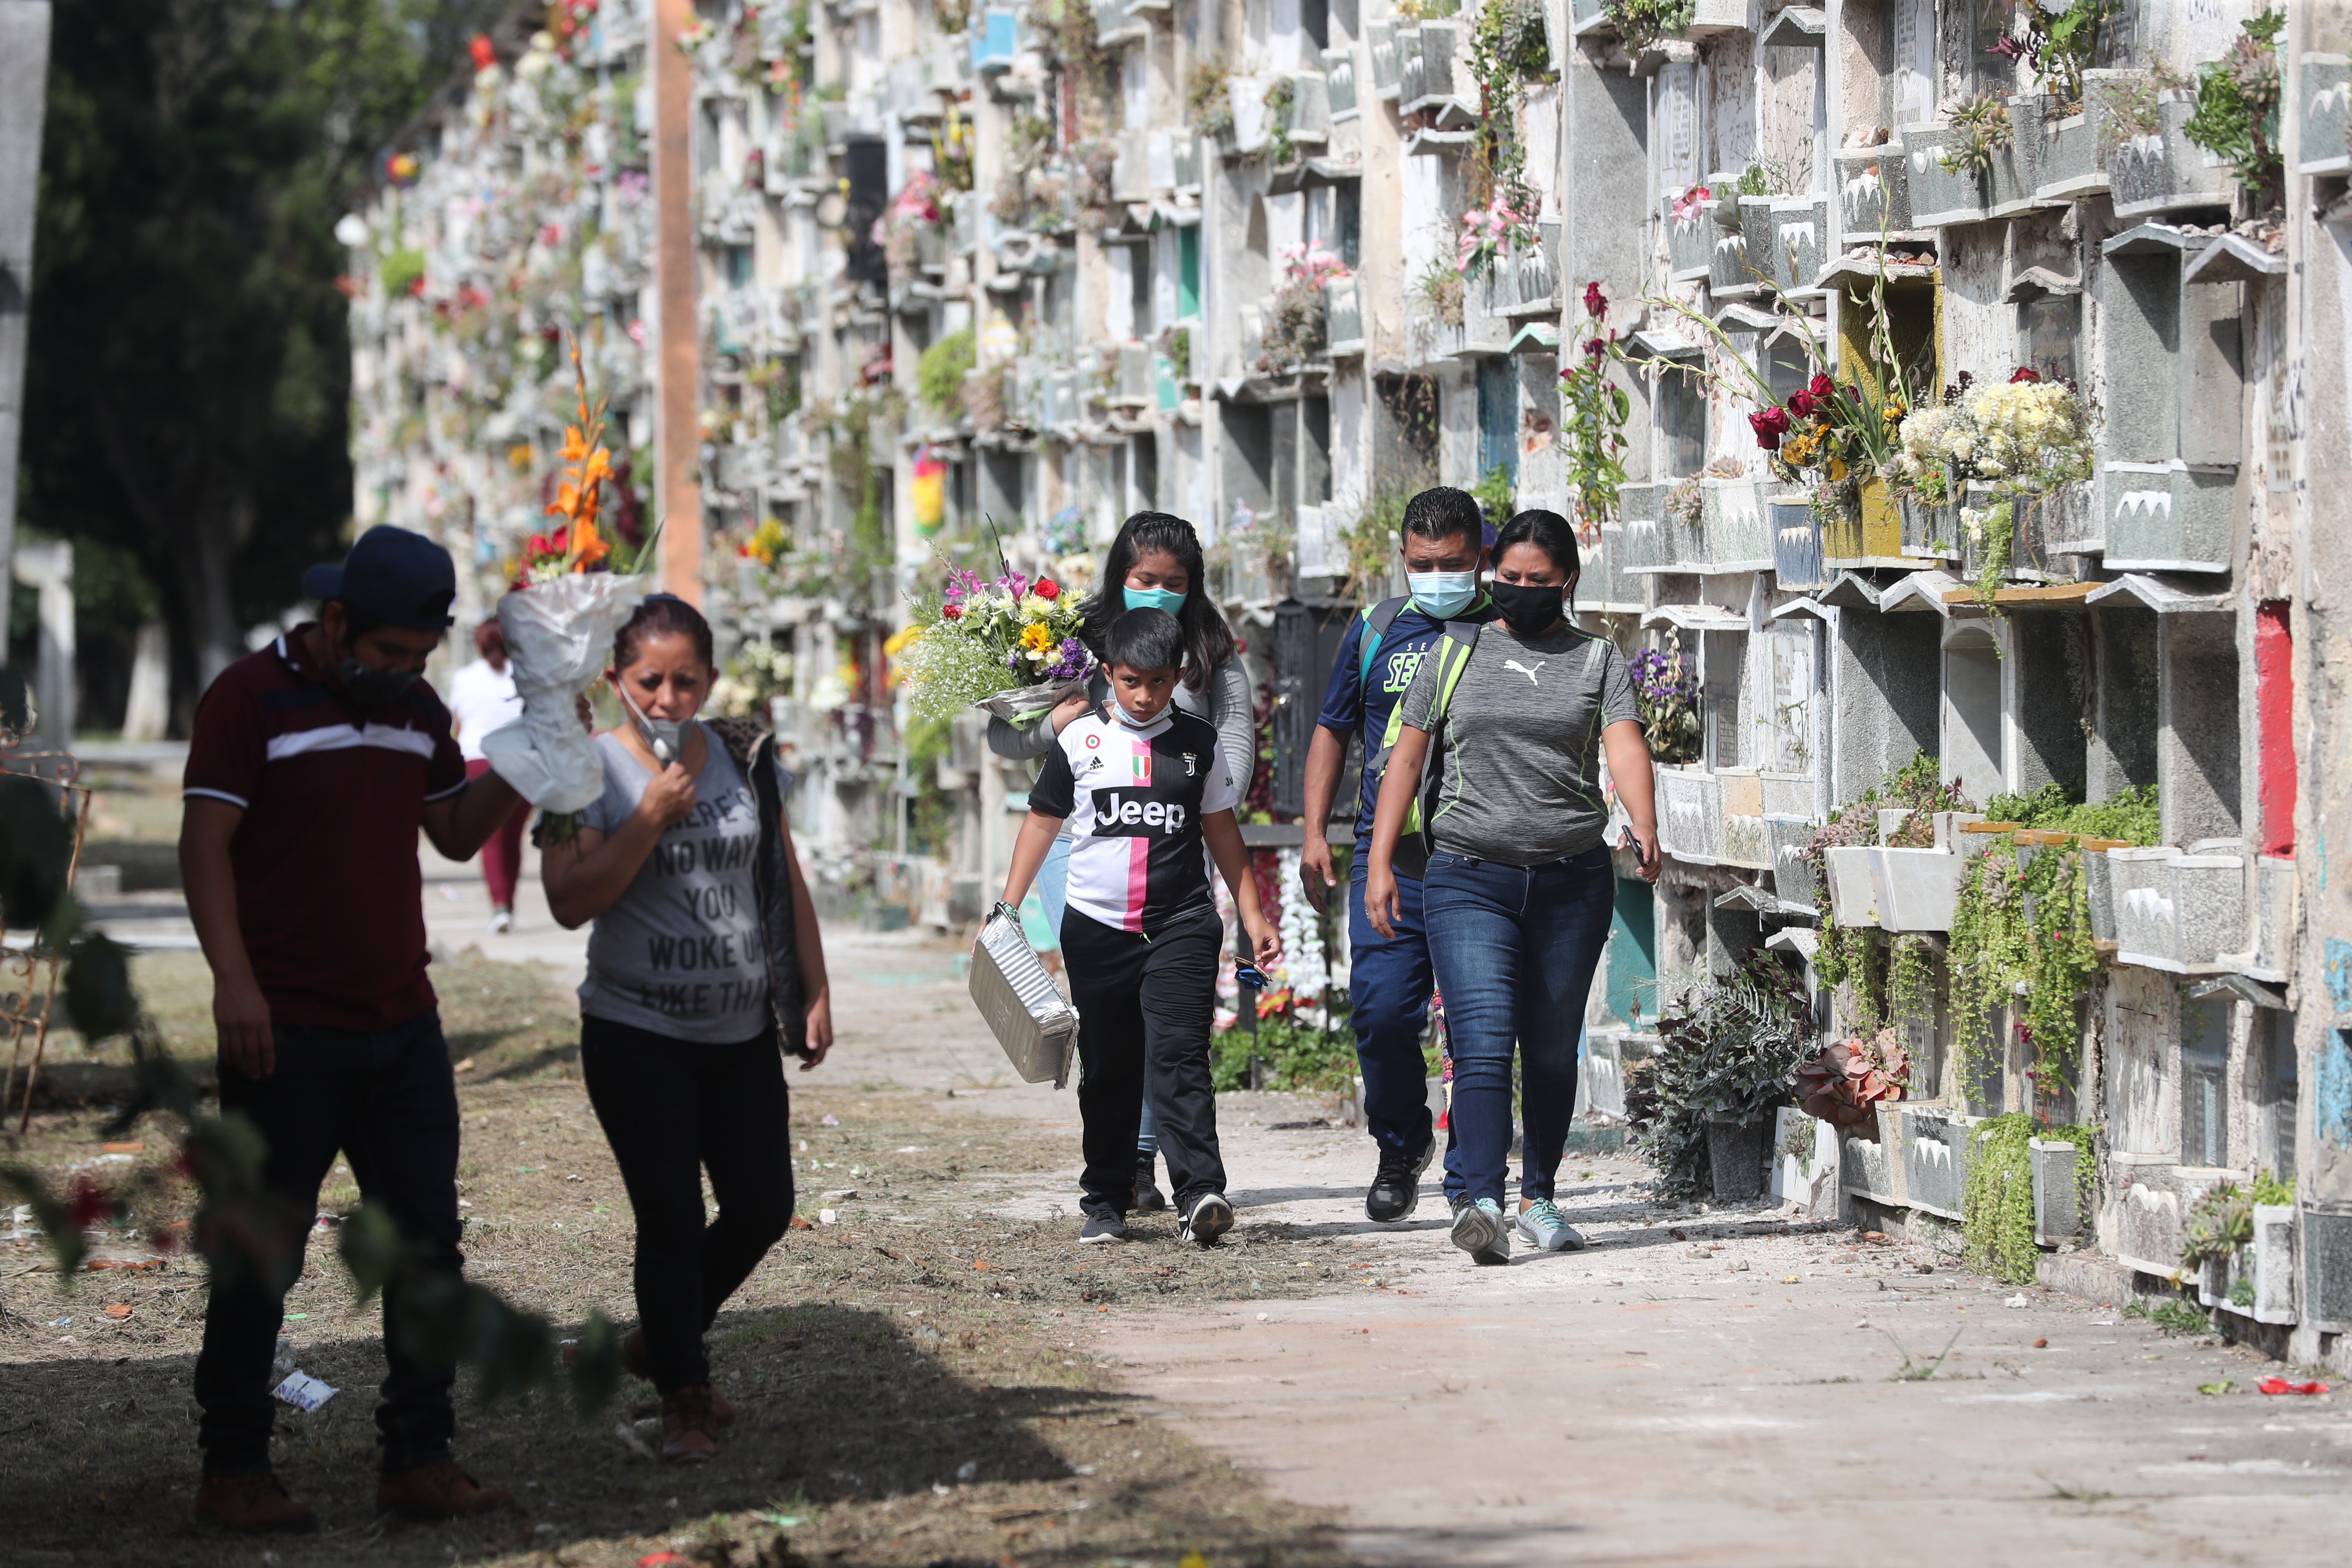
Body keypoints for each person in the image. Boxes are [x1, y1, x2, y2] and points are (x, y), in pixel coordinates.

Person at [180, 526, 526, 1532]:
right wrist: (232, 982)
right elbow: (205, 845)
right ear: (335, 623)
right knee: (263, 1252)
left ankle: (417, 1458)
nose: (401, 676)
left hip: (402, 1024)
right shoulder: (249, 698)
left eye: (417, 660)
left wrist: (527, 755)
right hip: (283, 1032)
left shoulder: (415, 709)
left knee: (428, 1245)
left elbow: (456, 832)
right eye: (384, 656)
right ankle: (233, 1469)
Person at [542, 594, 833, 1463]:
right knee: (669, 1214)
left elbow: (780, 872)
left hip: (738, 1029)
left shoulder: (742, 756)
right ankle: (683, 1395)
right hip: (636, 1032)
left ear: (709, 679)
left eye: (686, 681)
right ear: (615, 680)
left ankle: (656, 1341)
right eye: (649, 681)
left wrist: (812, 988)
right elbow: (566, 900)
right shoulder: (578, 770)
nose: (668, 699)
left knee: (762, 1207)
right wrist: (647, 819)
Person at [1365, 510, 1662, 1265]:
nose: (1520, 592)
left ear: (1566, 581)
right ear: (1492, 573)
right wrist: (1375, 860)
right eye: (1508, 579)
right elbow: (1405, 759)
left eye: (1537, 582)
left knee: (1554, 1051)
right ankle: (1484, 1201)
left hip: (1571, 878)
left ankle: (1540, 1195)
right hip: (1468, 875)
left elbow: (1623, 743)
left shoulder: (1597, 657)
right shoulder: (1454, 651)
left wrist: (1644, 821)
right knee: (1484, 1043)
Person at [988, 512, 1256, 1213]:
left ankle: (1154, 1162)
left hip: (1173, 841)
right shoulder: (1067, 634)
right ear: (1119, 574)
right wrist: (1052, 721)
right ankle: (1122, 1165)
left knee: (1169, 1026)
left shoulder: (1207, 640)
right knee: (1112, 1028)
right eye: (1145, 579)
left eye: (1174, 582)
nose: (1159, 592)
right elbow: (1006, 737)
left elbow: (1231, 731)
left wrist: (1210, 796)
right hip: (1085, 849)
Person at [1296, 485, 1493, 1223]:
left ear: (1480, 556)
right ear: (1402, 557)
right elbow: (1331, 727)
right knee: (1380, 1014)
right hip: (1392, 860)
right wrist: (1316, 831)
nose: (1437, 575)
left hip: (1483, 861)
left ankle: (1471, 1177)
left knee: (1479, 1023)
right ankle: (1401, 1142)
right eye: (1421, 563)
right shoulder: (1378, 627)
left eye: (1453, 563)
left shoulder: (1507, 625)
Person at [446, 619, 530, 931]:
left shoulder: (465, 678)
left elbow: (459, 724)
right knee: (512, 839)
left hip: (478, 762)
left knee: (491, 839)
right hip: (521, 762)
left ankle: (500, 906)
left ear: (479, 646)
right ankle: (508, 901)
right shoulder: (524, 676)